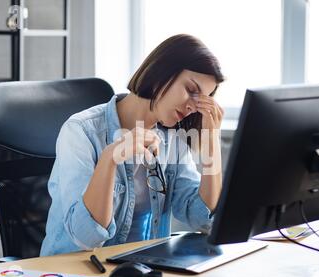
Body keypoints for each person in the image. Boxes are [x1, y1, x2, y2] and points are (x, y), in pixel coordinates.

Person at [40, 34, 225, 256]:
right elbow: (86, 237)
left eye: (203, 99)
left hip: (141, 270)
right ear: (162, 72)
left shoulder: (171, 138)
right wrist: (110, 159)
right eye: (190, 90)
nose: (192, 107)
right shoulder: (81, 131)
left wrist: (211, 142)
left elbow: (201, 219)